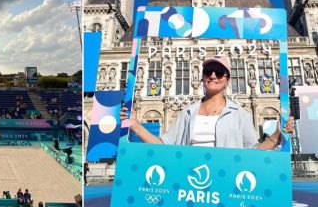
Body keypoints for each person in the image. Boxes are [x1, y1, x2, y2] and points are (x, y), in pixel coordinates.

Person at [121, 56, 295, 149]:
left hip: (226, 185)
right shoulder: (187, 113)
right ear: (202, 77)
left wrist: (277, 135)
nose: (213, 76)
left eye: (219, 72)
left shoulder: (240, 114)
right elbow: (163, 147)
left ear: (227, 80)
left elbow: (253, 153)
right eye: (208, 72)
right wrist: (135, 124)